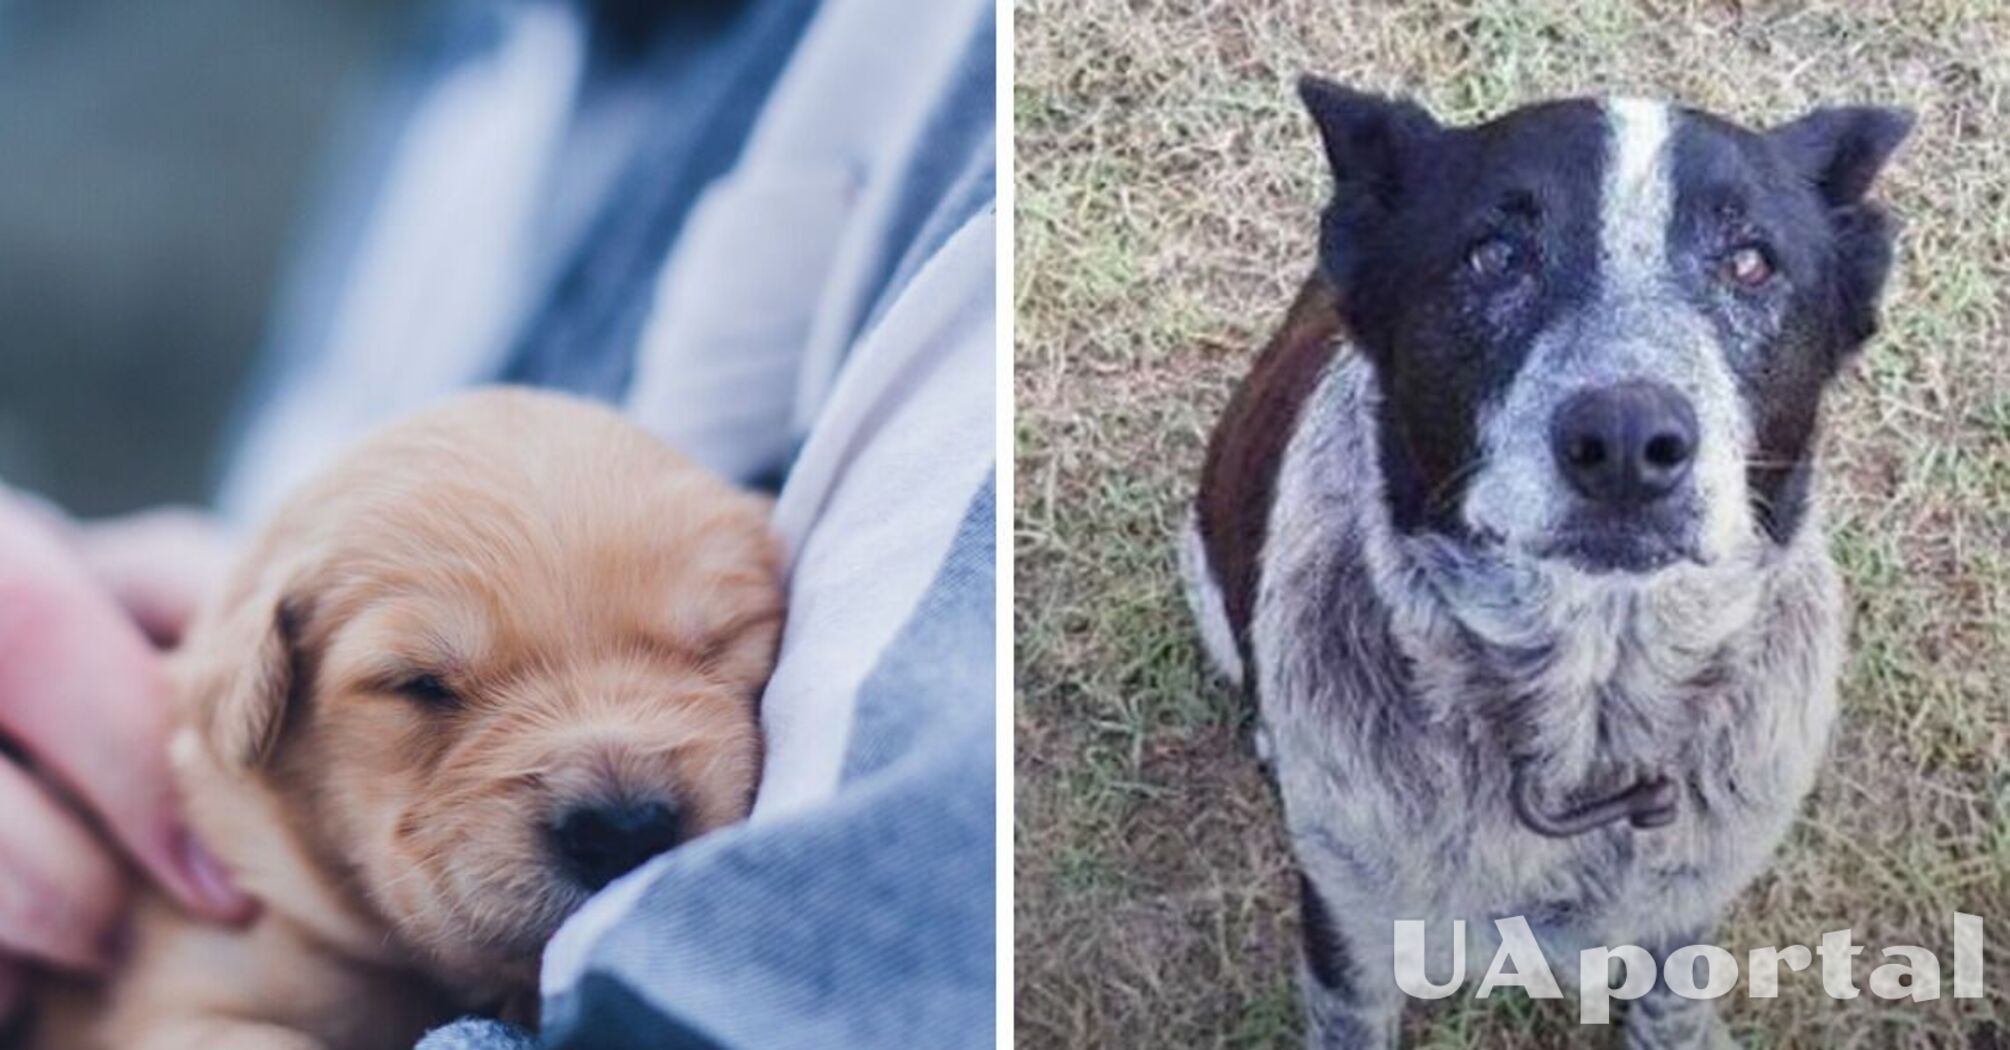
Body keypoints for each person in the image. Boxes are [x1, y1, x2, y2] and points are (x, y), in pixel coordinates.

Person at [0, 0, 995, 1047]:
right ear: (254, 701)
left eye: (712, 645)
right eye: (427, 688)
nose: (614, 795)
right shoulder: (470, 65)